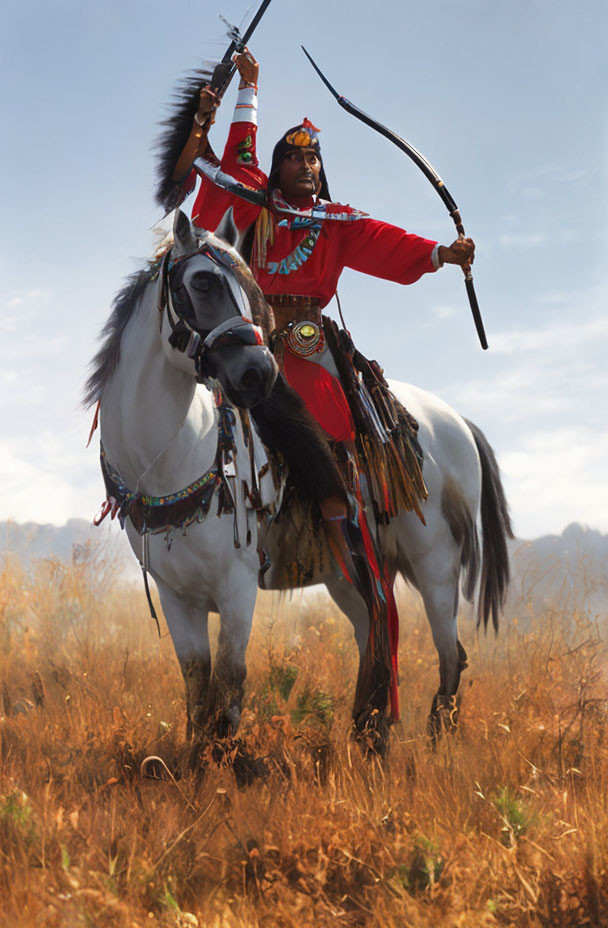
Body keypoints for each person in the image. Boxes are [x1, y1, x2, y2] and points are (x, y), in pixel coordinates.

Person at [166, 49, 475, 727]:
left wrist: (439, 252)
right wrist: (231, 103)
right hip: (246, 338)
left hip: (306, 342)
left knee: (328, 403)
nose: (304, 166)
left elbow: (385, 243)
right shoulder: (251, 201)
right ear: (276, 168)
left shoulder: (336, 221)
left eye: (312, 158)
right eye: (292, 157)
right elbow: (218, 165)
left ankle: (344, 502)